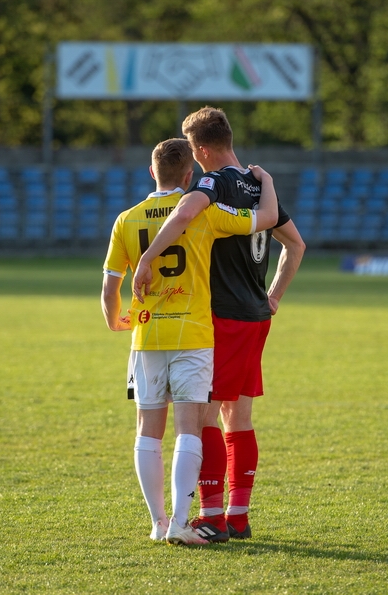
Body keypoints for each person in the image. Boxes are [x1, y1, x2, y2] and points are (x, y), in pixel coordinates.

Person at [133, 107, 305, 543]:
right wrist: (275, 296)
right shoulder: (254, 182)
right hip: (256, 315)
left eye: (193, 151)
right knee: (238, 416)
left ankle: (210, 516)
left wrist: (149, 257)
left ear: (203, 149)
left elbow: (187, 209)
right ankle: (239, 515)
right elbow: (296, 245)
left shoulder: (216, 182)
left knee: (204, 414)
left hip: (223, 315)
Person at [101, 138, 279, 545]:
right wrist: (264, 179)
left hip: (146, 334)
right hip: (193, 334)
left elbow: (109, 286)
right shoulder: (207, 214)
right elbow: (266, 217)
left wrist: (115, 321)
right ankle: (183, 521)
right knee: (189, 430)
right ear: (189, 176)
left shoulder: (126, 219)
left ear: (151, 172)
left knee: (147, 431)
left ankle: (158, 521)